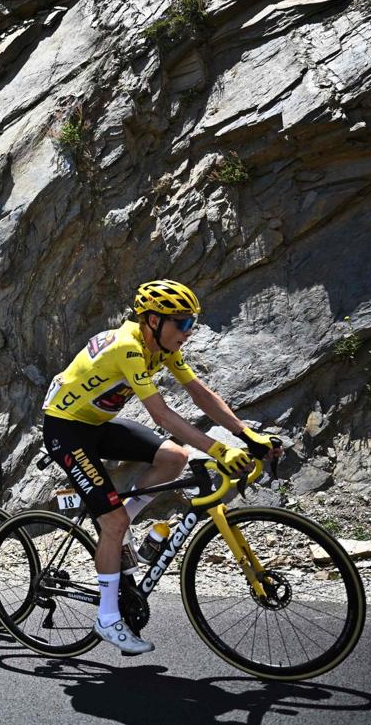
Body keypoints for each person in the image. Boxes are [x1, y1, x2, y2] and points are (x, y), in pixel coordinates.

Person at [42, 279, 283, 655]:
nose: (189, 332)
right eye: (182, 323)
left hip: (95, 424)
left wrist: (246, 433)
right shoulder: (129, 347)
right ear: (153, 320)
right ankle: (107, 618)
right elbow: (161, 414)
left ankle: (121, 527)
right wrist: (220, 449)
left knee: (175, 458)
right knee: (114, 521)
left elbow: (199, 392)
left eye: (192, 324)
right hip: (66, 428)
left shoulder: (160, 345)